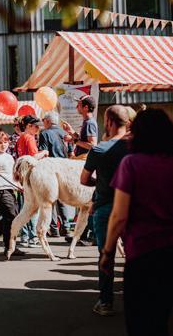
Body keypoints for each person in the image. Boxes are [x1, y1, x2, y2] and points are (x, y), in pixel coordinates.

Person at [101, 109, 173, 335]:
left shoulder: (131, 164)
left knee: (140, 322)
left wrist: (108, 252)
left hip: (142, 254)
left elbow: (119, 216)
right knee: (162, 320)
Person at [80, 105, 130, 317]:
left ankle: (106, 302)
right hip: (131, 207)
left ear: (108, 122)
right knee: (134, 253)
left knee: (106, 255)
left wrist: (101, 183)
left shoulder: (99, 150)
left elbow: (84, 179)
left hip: (104, 207)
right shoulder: (135, 148)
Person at [39, 112, 73, 238]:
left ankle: (54, 229)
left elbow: (44, 153)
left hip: (50, 169)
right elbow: (71, 153)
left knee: (50, 200)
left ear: (48, 121)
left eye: (43, 120)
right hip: (64, 168)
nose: (43, 122)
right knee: (62, 199)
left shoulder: (44, 133)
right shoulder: (65, 134)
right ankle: (66, 227)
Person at [16, 115, 48, 248]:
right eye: (36, 126)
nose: (38, 129)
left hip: (22, 175)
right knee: (33, 207)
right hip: (30, 175)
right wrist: (44, 152)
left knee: (23, 206)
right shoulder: (29, 138)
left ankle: (24, 236)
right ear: (29, 126)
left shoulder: (21, 137)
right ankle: (33, 237)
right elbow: (33, 157)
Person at [63, 95, 98, 159]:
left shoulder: (90, 123)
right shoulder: (87, 121)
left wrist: (73, 140)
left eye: (79, 105)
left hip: (84, 159)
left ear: (86, 107)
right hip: (81, 158)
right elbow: (83, 139)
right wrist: (71, 131)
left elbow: (93, 145)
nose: (76, 107)